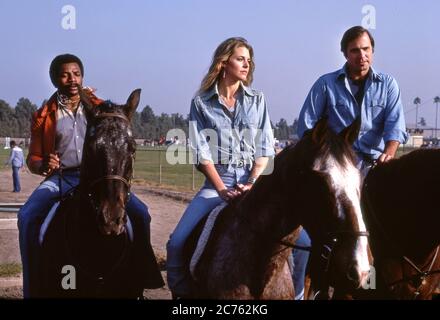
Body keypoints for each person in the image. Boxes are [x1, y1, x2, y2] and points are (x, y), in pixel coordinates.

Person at [18, 53, 163, 298]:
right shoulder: (43, 115)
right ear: (55, 79)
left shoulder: (99, 108)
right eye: (65, 74)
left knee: (141, 214)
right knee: (28, 216)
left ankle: (142, 274)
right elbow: (32, 159)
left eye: (76, 74)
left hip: (99, 178)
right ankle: (34, 286)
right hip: (61, 178)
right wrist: (43, 164)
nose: (72, 79)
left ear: (82, 77)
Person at [295, 26, 408, 299]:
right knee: (325, 226)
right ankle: (317, 281)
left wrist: (389, 153)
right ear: (344, 53)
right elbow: (306, 128)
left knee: (394, 219)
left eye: (366, 49)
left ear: (373, 51)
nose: (362, 55)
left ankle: (395, 277)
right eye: (355, 50)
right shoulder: (325, 84)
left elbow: (396, 130)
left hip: (374, 165)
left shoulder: (388, 85)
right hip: (337, 167)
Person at [166, 37, 275, 298]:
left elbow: (265, 147)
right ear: (224, 62)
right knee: (176, 243)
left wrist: (251, 183)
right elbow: (202, 153)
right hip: (217, 182)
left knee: (301, 241)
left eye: (249, 60)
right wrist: (222, 190)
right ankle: (183, 295)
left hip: (254, 180)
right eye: (241, 58)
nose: (247, 64)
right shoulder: (201, 103)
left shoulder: (257, 100)